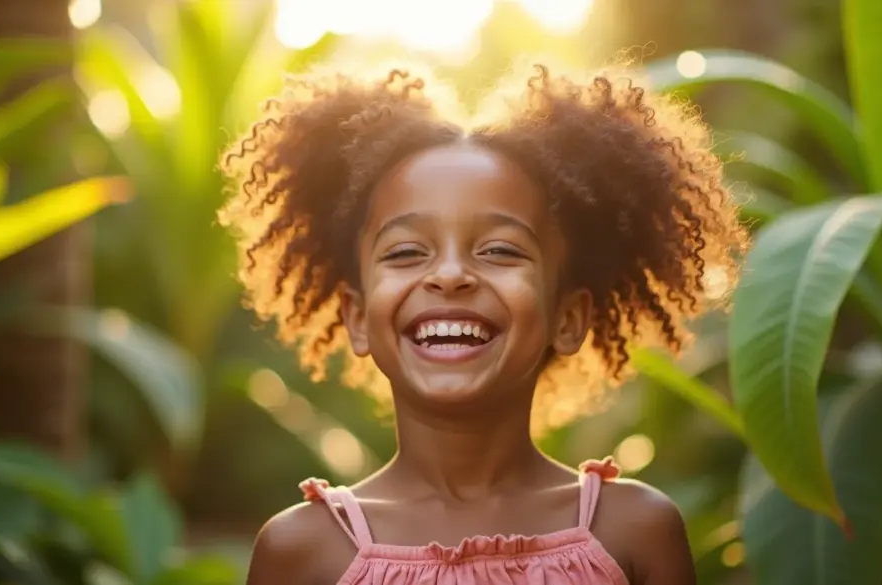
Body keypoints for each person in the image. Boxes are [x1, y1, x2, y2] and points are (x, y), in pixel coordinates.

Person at [219, 59, 747, 585]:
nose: (450, 275)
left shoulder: (633, 532)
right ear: (357, 318)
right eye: (405, 252)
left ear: (568, 317)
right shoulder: (301, 552)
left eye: (498, 249)